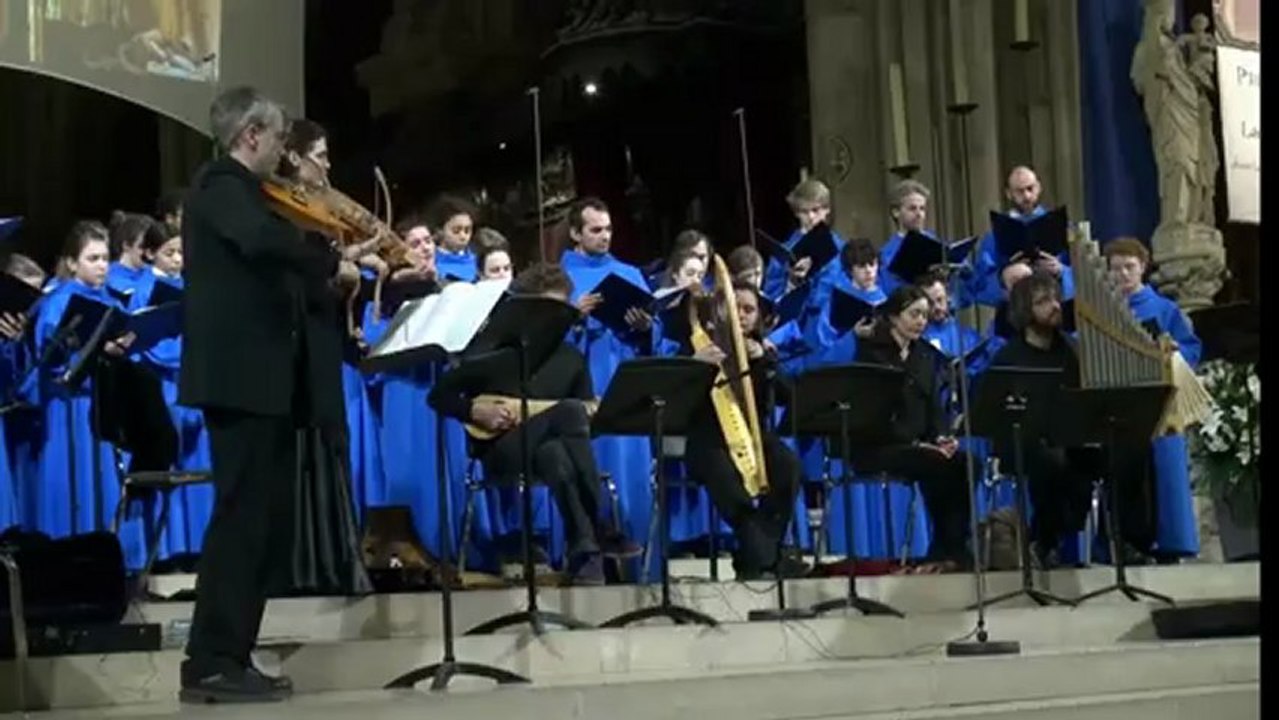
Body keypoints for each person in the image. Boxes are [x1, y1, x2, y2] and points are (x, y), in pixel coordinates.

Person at [178, 87, 370, 704]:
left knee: (263, 521)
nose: (286, 153)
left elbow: (273, 267)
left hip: (265, 384)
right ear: (251, 135)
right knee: (241, 519)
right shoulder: (219, 186)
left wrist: (330, 269)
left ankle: (230, 655)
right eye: (281, 138)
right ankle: (210, 661)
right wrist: (327, 255)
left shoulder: (251, 196)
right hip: (240, 382)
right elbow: (263, 242)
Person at [428, 263, 640, 584]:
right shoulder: (496, 352)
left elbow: (584, 418)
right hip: (500, 448)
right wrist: (473, 410)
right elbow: (438, 396)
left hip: (546, 449)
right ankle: (600, 522)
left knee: (554, 452)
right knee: (568, 413)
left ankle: (584, 551)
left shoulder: (571, 358)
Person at [273, 118, 373, 598]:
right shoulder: (282, 211)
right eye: (321, 155)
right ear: (293, 158)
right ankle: (306, 567)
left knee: (329, 439)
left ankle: (333, 559)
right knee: (307, 441)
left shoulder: (317, 214)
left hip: (322, 338)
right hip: (296, 348)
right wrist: (340, 268)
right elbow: (295, 279)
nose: (329, 165)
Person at [679, 281, 807, 579]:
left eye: (749, 309)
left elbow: (791, 396)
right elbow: (678, 399)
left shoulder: (763, 351)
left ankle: (755, 555)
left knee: (788, 467)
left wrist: (765, 359)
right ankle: (769, 555)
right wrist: (695, 366)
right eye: (735, 308)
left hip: (753, 439)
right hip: (707, 440)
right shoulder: (699, 345)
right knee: (727, 481)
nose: (742, 314)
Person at [853, 285, 973, 573]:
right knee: (936, 464)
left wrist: (942, 437)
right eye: (914, 314)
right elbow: (872, 415)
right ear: (894, 317)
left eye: (924, 315)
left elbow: (934, 406)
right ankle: (946, 548)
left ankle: (950, 546)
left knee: (966, 463)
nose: (921, 321)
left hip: (918, 446)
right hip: (878, 447)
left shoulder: (925, 355)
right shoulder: (871, 354)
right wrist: (919, 446)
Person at [986, 270, 1096, 566]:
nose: (1055, 306)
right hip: (1022, 441)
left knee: (1107, 455)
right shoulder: (1008, 358)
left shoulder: (1071, 351)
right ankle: (1045, 541)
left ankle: (1123, 544)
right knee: (1052, 462)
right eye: (1043, 301)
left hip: (1067, 438)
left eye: (1056, 299)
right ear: (1025, 309)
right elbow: (992, 412)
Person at [1104, 237, 1201, 562]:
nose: (1122, 275)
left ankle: (1170, 543)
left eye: (1129, 267)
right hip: (1120, 397)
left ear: (1143, 268)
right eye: (1115, 269)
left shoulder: (1164, 308)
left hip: (1160, 403)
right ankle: (1127, 543)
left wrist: (1175, 351)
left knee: (1163, 470)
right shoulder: (1102, 308)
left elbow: (1192, 347)